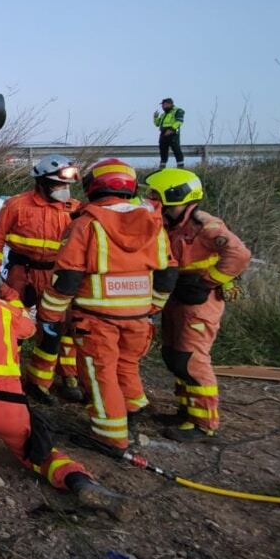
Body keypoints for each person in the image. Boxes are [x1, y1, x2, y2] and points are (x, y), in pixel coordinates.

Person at [0, 256, 131, 518]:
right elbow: (29, 328)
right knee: (38, 452)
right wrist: (6, 291)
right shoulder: (5, 310)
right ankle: (77, 480)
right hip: (11, 409)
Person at [39, 159, 178, 451]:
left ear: (92, 186)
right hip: (139, 317)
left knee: (100, 373)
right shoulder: (153, 222)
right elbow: (167, 271)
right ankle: (132, 413)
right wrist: (154, 305)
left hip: (96, 318)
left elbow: (67, 277)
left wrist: (49, 314)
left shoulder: (87, 224)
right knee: (127, 366)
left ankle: (110, 436)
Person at [143, 170, 252, 442]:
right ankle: (187, 412)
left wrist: (208, 281)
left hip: (199, 302)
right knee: (174, 356)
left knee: (191, 360)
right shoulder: (171, 225)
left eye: (158, 196)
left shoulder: (205, 225)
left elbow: (239, 254)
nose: (154, 201)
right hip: (178, 297)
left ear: (177, 196)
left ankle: (204, 423)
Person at [0, 154, 83, 403]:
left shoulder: (76, 209)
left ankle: (46, 382)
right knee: (12, 326)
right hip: (21, 273)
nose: (63, 191)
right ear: (42, 183)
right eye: (58, 185)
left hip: (55, 275)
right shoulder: (17, 205)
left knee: (56, 327)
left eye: (66, 186)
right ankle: (10, 377)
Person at [153, 98, 185, 167]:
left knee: (176, 149)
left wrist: (172, 129)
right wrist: (155, 117)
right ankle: (162, 167)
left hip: (173, 133)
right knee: (163, 150)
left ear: (170, 104)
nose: (163, 106)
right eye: (163, 105)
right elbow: (157, 124)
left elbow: (179, 121)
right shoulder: (163, 114)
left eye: (165, 104)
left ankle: (180, 166)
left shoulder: (178, 110)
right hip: (163, 133)